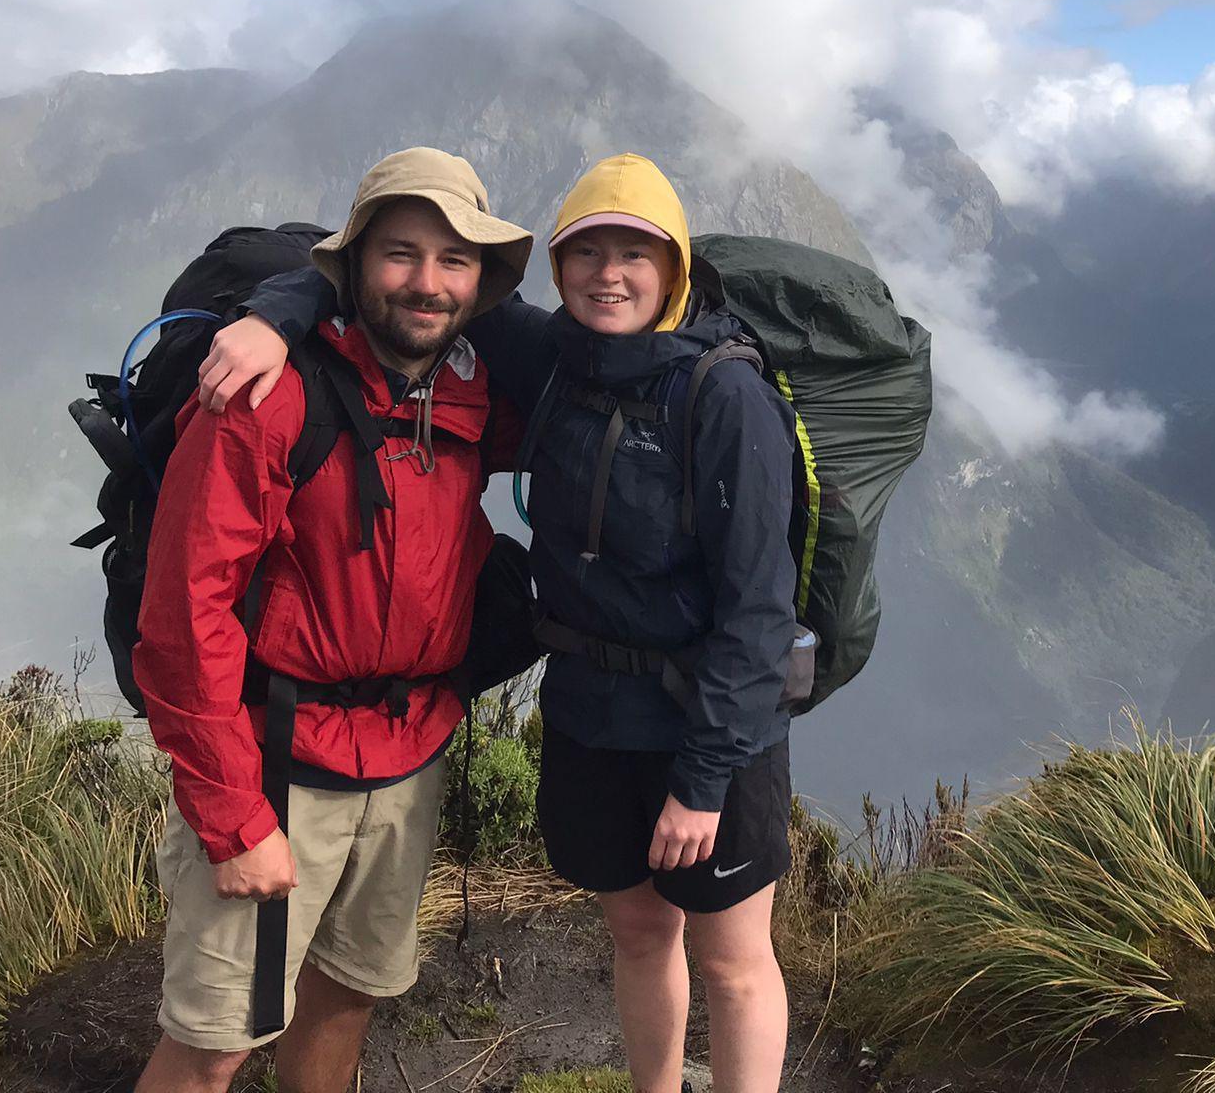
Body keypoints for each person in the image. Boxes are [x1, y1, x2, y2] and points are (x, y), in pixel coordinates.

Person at [200, 153, 802, 1093]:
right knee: (641, 934)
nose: (609, 273)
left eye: (636, 253)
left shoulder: (724, 395)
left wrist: (707, 777)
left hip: (706, 725)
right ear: (555, 269)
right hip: (595, 713)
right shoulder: (552, 354)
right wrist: (274, 314)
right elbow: (385, 287)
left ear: (675, 269)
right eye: (586, 251)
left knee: (733, 961)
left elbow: (762, 609)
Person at [133, 147, 531, 1093]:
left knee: (348, 995)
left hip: (408, 756)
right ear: (350, 266)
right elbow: (186, 618)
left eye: (454, 261)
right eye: (399, 254)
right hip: (276, 765)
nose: (426, 284)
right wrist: (234, 819)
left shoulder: (474, 392)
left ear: (481, 283)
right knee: (214, 1043)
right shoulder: (265, 397)